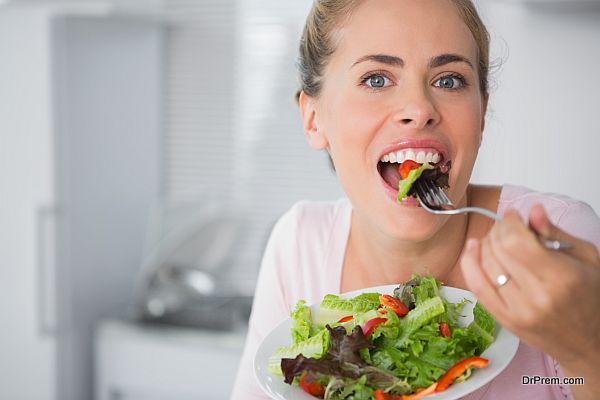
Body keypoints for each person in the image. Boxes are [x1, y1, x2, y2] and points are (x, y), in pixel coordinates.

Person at [231, 0, 600, 398]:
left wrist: (586, 352)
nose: (419, 109)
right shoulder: (299, 243)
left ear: (482, 113)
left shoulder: (559, 238)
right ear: (314, 118)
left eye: (449, 80)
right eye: (376, 79)